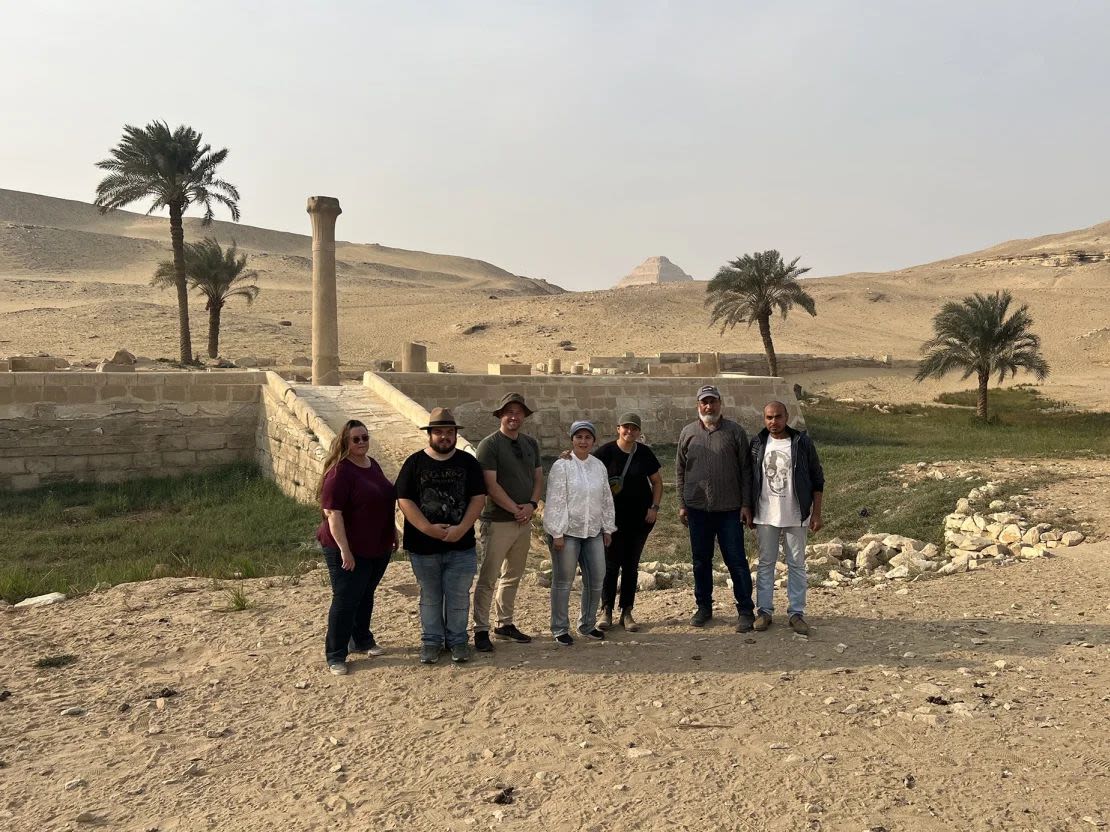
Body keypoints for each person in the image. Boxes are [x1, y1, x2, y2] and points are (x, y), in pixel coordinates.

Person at [396, 408, 487, 665]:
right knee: (431, 597)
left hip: (462, 545)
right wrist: (428, 528)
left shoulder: (468, 463)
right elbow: (405, 500)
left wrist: (460, 529)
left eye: (449, 432)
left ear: (456, 435)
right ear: (430, 435)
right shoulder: (414, 463)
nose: (444, 437)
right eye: (439, 432)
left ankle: (458, 641)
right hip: (423, 546)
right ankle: (431, 642)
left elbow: (478, 498)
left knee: (458, 598)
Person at [316, 419, 398, 676]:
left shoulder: (371, 464)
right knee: (346, 598)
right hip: (348, 546)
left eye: (365, 437)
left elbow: (383, 499)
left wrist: (393, 530)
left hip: (377, 544)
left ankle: (362, 639)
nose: (362, 442)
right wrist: (344, 550)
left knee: (366, 593)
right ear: (345, 442)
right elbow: (333, 514)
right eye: (356, 439)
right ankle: (336, 655)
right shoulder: (339, 472)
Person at [675, 384, 756, 632]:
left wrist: (746, 504)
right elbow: (680, 469)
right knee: (700, 560)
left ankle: (745, 610)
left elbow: (746, 470)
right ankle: (704, 608)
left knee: (736, 560)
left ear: (721, 403)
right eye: (704, 402)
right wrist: (681, 504)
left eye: (713, 401)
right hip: (697, 509)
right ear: (698, 405)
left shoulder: (735, 432)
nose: (708, 406)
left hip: (729, 509)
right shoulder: (688, 432)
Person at [472, 392, 543, 652]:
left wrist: (532, 505)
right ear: (501, 415)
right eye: (509, 412)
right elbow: (490, 484)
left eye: (518, 412)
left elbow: (537, 478)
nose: (514, 416)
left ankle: (505, 623)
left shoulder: (530, 444)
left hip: (523, 519)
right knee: (489, 576)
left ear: (524, 415)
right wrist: (516, 509)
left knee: (512, 575)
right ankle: (481, 628)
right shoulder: (489, 445)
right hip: (499, 520)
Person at [747, 400, 825, 636]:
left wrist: (817, 513)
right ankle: (764, 612)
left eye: (778, 417)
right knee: (765, 563)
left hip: (795, 513)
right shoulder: (758, 443)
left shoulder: (801, 443)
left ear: (787, 416)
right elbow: (749, 477)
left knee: (796, 564)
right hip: (765, 513)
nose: (774, 422)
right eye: (769, 417)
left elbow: (817, 478)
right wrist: (747, 508)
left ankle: (796, 613)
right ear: (764, 419)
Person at [543, 420, 616, 645]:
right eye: (579, 437)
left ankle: (587, 624)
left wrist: (607, 527)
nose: (583, 441)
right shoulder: (562, 465)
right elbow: (555, 499)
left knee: (596, 578)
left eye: (587, 437)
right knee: (563, 581)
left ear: (593, 441)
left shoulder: (598, 466)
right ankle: (559, 627)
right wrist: (557, 532)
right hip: (567, 532)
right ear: (572, 439)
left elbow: (605, 498)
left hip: (593, 530)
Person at [593, 412, 663, 632]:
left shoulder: (644, 453)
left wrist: (654, 507)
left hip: (639, 519)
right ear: (618, 428)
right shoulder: (605, 452)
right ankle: (606, 610)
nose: (629, 432)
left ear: (639, 432)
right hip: (611, 520)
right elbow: (586, 467)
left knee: (631, 566)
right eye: (626, 427)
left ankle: (627, 611)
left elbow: (657, 482)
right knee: (611, 565)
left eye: (634, 428)